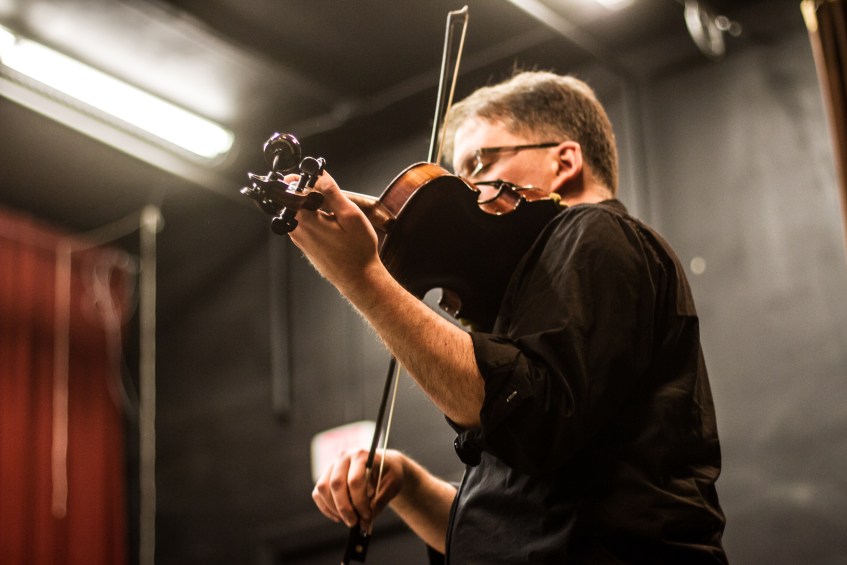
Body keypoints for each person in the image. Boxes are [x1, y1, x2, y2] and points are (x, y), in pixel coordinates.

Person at [295, 71, 727, 563]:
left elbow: (532, 418)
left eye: (479, 162)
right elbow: (513, 529)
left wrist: (363, 277)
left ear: (564, 161)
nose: (464, 191)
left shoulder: (595, 230)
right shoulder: (530, 289)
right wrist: (409, 485)